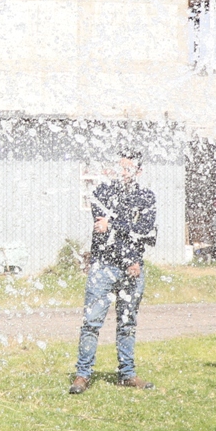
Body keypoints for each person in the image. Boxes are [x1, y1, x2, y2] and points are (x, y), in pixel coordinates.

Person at [70, 150, 157, 394]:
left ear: (138, 171)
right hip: (104, 266)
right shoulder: (102, 192)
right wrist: (127, 228)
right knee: (91, 322)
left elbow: (147, 231)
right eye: (120, 167)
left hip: (133, 268)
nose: (122, 172)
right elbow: (102, 229)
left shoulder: (146, 197)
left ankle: (127, 374)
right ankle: (82, 374)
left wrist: (116, 226)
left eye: (128, 168)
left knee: (127, 323)